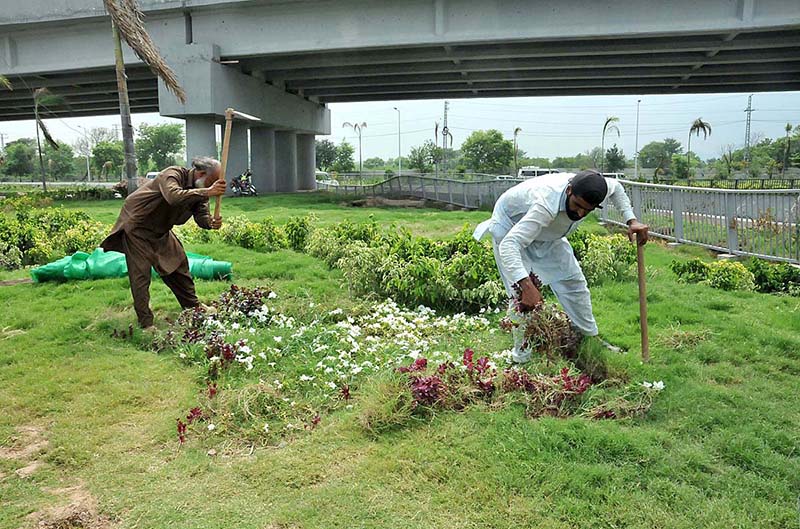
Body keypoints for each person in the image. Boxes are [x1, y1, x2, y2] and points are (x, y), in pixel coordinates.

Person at [473, 170, 649, 362]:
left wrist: (631, 220)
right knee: (520, 299)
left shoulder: (598, 187)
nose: (580, 213)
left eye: (587, 210)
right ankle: (522, 358)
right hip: (509, 228)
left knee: (574, 283)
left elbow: (617, 187)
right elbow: (509, 244)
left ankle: (588, 338)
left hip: (549, 234)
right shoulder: (545, 203)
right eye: (577, 206)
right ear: (569, 190)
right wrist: (527, 285)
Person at [101, 156, 227, 329]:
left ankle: (192, 307)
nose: (211, 187)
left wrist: (211, 223)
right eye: (211, 182)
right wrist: (208, 191)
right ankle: (146, 324)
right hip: (138, 226)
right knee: (140, 275)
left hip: (161, 230)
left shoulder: (200, 189)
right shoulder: (172, 174)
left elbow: (201, 216)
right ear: (201, 173)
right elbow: (173, 197)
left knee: (179, 264)